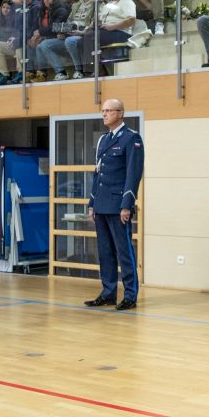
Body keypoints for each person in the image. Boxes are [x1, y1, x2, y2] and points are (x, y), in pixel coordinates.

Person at [84, 99, 144, 311]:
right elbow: (97, 173)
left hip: (118, 205)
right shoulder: (103, 140)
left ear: (120, 113)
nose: (104, 114)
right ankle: (108, 292)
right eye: (103, 111)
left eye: (109, 111)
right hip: (101, 204)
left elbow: (133, 174)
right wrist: (92, 203)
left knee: (124, 252)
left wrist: (127, 204)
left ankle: (130, 295)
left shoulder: (131, 138)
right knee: (105, 252)